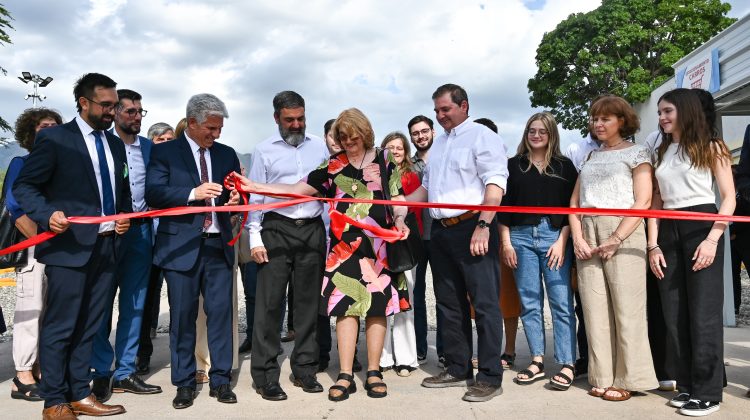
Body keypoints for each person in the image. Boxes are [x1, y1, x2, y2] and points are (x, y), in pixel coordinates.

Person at [231, 107, 411, 402]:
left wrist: (401, 222)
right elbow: (298, 190)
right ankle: (345, 374)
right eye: (344, 139)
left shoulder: (385, 159)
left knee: (377, 308)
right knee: (345, 309)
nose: (349, 144)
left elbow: (398, 199)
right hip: (344, 249)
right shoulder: (333, 164)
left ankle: (375, 371)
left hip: (379, 246)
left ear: (364, 134)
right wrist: (257, 186)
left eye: (353, 139)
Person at [13, 72, 131, 419]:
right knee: (61, 326)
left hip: (107, 247)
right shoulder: (55, 140)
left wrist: (122, 216)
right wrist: (48, 214)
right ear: (84, 103)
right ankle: (54, 401)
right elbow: (25, 188)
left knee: (91, 325)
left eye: (115, 105)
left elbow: (120, 194)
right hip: (68, 249)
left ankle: (80, 392)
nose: (112, 111)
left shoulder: (114, 145)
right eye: (106, 105)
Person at [409, 84, 508, 402]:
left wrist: (483, 225)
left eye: (445, 110)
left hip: (473, 228)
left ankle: (490, 376)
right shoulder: (438, 146)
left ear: (464, 105)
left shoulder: (483, 137)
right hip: (439, 231)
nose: (440, 116)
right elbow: (425, 190)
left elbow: (495, 184)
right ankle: (457, 367)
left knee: (485, 304)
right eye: (437, 110)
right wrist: (397, 207)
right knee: (448, 303)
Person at [145, 93, 241, 409]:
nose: (217, 134)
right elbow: (154, 193)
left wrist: (234, 201)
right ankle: (184, 383)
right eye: (211, 128)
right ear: (192, 122)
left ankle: (221, 381)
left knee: (221, 316)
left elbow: (236, 192)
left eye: (220, 128)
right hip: (180, 247)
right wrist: (192, 193)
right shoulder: (166, 153)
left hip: (218, 246)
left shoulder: (227, 154)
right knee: (183, 318)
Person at [648, 88, 734, 416]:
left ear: (685, 111)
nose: (662, 118)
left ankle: (708, 392)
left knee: (703, 314)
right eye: (659, 113)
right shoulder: (663, 149)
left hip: (702, 225)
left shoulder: (712, 146)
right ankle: (687, 385)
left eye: (667, 111)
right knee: (674, 313)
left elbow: (728, 198)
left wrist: (712, 239)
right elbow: (656, 201)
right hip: (668, 229)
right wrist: (653, 243)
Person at [568, 95, 657, 402]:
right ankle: (602, 375)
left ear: (622, 120)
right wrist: (578, 238)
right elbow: (574, 203)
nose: (598, 123)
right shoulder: (590, 157)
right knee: (593, 309)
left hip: (624, 230)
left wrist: (616, 238)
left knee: (627, 309)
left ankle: (630, 378)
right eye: (595, 118)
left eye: (605, 118)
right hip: (588, 232)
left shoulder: (638, 152)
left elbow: (643, 201)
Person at [247, 91, 329, 400]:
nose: (296, 125)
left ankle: (305, 368)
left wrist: (328, 235)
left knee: (308, 305)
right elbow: (255, 197)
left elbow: (325, 193)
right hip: (276, 230)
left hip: (311, 231)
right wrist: (254, 237)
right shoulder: (263, 150)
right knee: (270, 306)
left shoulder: (321, 148)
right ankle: (266, 375)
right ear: (276, 118)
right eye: (289, 120)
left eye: (301, 118)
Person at [90, 89, 161, 402]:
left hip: (141, 234)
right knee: (101, 305)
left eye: (140, 112)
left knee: (135, 304)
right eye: (130, 111)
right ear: (115, 112)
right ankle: (100, 370)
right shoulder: (101, 145)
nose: (136, 117)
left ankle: (125, 372)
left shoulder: (149, 149)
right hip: (106, 235)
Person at [498, 112, 577, 390]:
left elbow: (572, 208)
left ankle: (567, 362)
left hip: (554, 236)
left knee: (561, 302)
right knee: (530, 302)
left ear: (551, 134)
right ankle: (537, 360)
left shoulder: (564, 166)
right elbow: (503, 209)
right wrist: (507, 243)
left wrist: (562, 241)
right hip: (520, 238)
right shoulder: (512, 165)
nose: (536, 135)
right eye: (532, 130)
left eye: (542, 131)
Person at [6, 107, 62, 402]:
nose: (50, 129)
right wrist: (40, 241)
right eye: (44, 126)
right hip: (33, 247)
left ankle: (40, 368)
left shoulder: (60, 166)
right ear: (31, 133)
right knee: (31, 309)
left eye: (55, 125)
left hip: (57, 249)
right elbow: (16, 207)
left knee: (52, 310)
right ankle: (22, 375)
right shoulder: (21, 163)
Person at [473, 117, 521, 372]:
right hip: (474, 234)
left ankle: (509, 350)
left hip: (502, 234)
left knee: (507, 297)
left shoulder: (509, 165)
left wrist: (506, 241)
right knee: (479, 298)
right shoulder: (469, 163)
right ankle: (485, 350)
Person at [379, 131, 422, 376]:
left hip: (405, 242)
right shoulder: (373, 175)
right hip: (379, 241)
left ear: (406, 153)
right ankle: (383, 357)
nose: (395, 151)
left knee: (407, 301)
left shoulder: (411, 177)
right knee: (381, 301)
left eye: (399, 148)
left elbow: (411, 207)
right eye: (390, 147)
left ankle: (406, 358)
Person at [136, 122, 176, 375]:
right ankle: (142, 354)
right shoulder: (148, 171)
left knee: (179, 301)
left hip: (174, 244)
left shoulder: (177, 169)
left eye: (170, 140)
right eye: (161, 141)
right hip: (147, 244)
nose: (166, 145)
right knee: (146, 300)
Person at [407, 114, 443, 365]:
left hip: (441, 235)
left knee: (445, 296)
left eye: (424, 131)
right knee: (416, 297)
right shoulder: (407, 166)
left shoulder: (444, 159)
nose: (420, 136)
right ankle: (419, 348)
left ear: (433, 131)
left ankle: (444, 351)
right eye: (415, 133)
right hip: (417, 239)